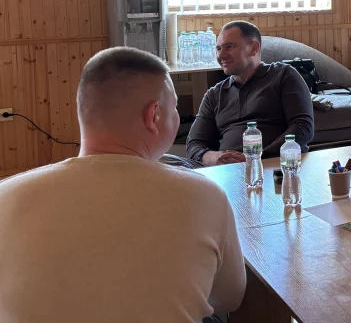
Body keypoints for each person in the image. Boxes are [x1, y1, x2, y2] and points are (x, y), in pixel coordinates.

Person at [0, 47, 246, 321]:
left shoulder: (5, 197)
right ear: (153, 116)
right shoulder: (205, 196)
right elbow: (229, 297)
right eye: (175, 107)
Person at [187, 21, 314, 166]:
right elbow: (194, 146)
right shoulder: (214, 95)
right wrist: (216, 157)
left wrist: (257, 158)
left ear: (254, 48)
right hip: (226, 171)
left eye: (230, 47)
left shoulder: (283, 75)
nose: (221, 55)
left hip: (275, 166)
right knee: (168, 161)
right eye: (218, 48)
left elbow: (303, 128)